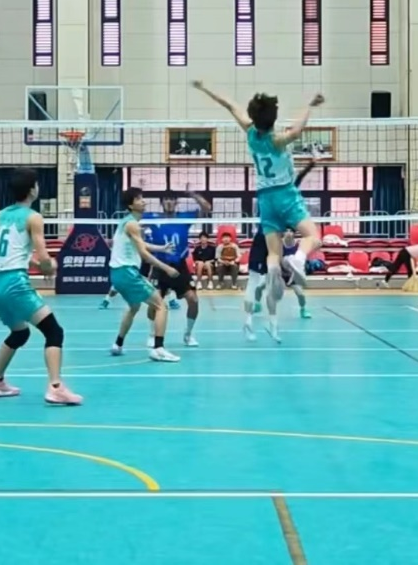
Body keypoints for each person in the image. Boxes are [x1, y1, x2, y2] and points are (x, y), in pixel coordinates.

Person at [194, 80, 324, 308]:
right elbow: (296, 131)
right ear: (274, 118)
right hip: (285, 194)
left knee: (273, 252)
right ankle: (298, 259)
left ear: (254, 118)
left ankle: (273, 272)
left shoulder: (250, 133)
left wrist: (204, 88)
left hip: (264, 198)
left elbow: (229, 105)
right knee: (314, 237)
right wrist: (310, 106)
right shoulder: (277, 141)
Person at [0, 167, 82, 405]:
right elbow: (43, 254)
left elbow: (16, 251)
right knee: (54, 332)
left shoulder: (2, 215)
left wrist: (37, 264)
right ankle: (56, 387)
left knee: (20, 333)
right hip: (15, 284)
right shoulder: (33, 217)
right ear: (32, 190)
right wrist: (50, 266)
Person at [243, 160, 316, 342]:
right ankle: (251, 322)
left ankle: (272, 325)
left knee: (269, 283)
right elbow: (295, 180)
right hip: (265, 239)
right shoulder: (274, 192)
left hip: (275, 240)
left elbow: (295, 181)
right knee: (256, 282)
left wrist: (310, 166)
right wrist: (310, 166)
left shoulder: (274, 192)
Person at [108, 187, 182, 362]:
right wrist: (166, 268)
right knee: (161, 305)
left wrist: (162, 248)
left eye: (142, 198)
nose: (143, 201)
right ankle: (158, 349)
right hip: (127, 272)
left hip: (118, 273)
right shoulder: (132, 224)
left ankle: (118, 344)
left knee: (134, 306)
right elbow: (143, 253)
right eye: (139, 199)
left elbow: (141, 245)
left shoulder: (127, 222)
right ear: (130, 205)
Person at [143, 190, 211, 347]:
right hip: (160, 266)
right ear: (161, 203)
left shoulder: (184, 217)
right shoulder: (153, 218)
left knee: (193, 300)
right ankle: (152, 334)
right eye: (166, 199)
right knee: (154, 302)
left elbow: (207, 208)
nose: (169, 202)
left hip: (180, 266)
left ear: (176, 202)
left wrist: (194, 195)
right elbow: (133, 219)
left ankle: (188, 334)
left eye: (172, 199)